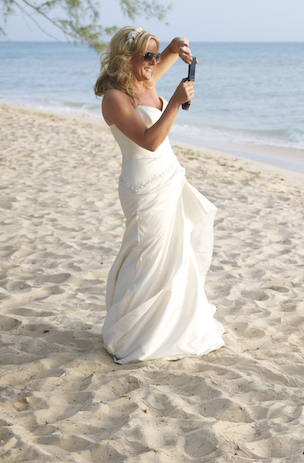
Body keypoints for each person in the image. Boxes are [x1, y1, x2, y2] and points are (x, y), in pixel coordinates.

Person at [93, 26, 224, 364]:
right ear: (128, 58)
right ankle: (134, 332)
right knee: (147, 259)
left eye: (155, 54)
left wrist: (174, 46)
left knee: (175, 255)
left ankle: (172, 326)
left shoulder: (145, 82)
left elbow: (162, 61)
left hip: (169, 178)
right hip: (144, 186)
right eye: (146, 55)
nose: (153, 61)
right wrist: (176, 104)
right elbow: (150, 141)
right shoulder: (115, 97)